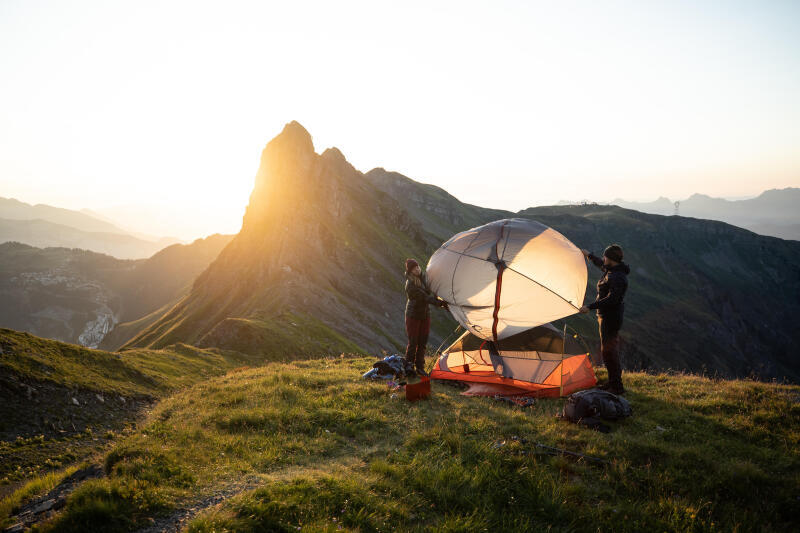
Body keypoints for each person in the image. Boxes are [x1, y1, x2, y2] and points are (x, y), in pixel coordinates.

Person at [578, 244, 630, 395]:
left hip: (610, 318)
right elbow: (601, 264)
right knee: (608, 351)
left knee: (609, 352)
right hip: (606, 316)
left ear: (612, 259)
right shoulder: (613, 269)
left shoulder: (617, 277)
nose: (603, 258)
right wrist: (589, 255)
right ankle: (613, 382)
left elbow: (612, 299)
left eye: (605, 256)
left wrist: (590, 306)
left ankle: (617, 387)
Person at [404, 258, 446, 376]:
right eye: (414, 269)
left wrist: (439, 297)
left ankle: (420, 367)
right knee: (413, 342)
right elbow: (424, 297)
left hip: (424, 315)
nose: (417, 270)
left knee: (423, 342)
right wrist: (439, 303)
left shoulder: (424, 279)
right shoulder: (410, 284)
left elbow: (431, 290)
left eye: (417, 267)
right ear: (410, 271)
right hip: (413, 315)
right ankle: (409, 366)